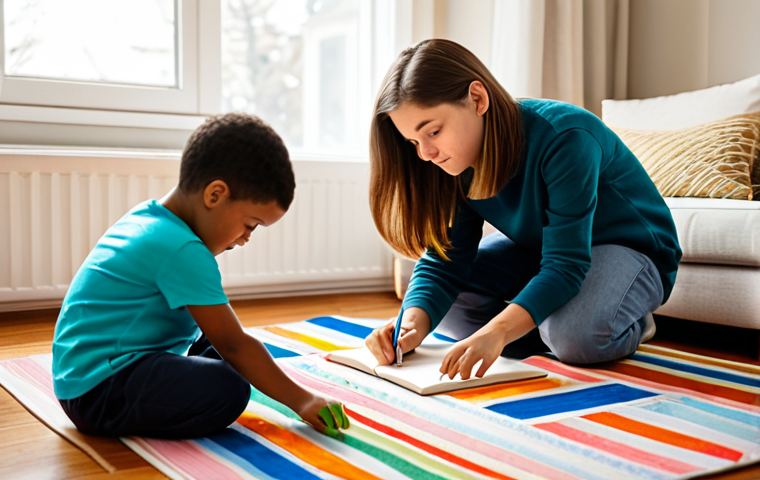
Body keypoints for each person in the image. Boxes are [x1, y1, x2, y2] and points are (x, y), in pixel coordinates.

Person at [365, 39, 682, 381]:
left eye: (434, 132)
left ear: (477, 99)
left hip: (631, 251)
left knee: (575, 339)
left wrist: (498, 332)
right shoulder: (454, 161)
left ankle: (621, 320)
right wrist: (409, 324)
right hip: (544, 250)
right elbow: (447, 259)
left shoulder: (566, 135)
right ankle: (556, 321)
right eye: (414, 142)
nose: (426, 153)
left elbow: (566, 263)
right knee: (449, 308)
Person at [52, 113, 347, 438]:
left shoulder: (150, 218)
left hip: (81, 375)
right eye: (250, 224)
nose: (246, 238)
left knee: (221, 345)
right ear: (215, 195)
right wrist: (302, 401)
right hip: (99, 393)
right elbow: (234, 344)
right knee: (230, 384)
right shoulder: (182, 250)